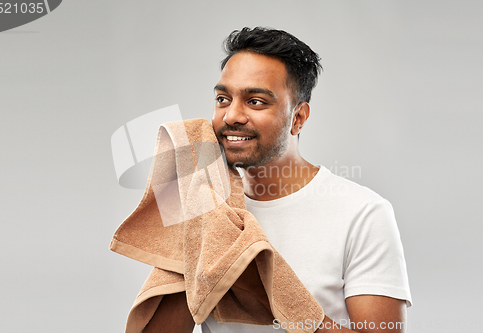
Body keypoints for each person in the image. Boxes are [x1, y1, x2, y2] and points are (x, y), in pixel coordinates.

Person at [144, 27, 412, 333]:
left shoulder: (363, 213)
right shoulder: (207, 206)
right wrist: (191, 216)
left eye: (256, 101)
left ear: (298, 118)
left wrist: (272, 294)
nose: (231, 115)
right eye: (222, 98)